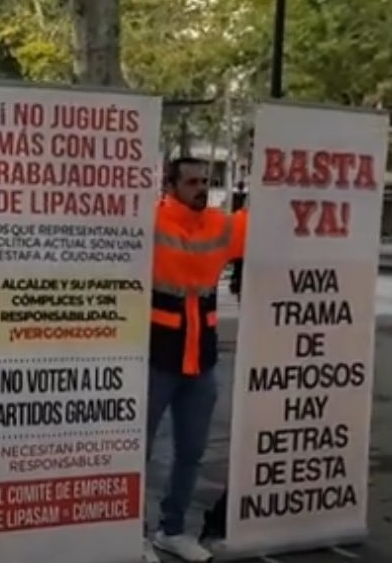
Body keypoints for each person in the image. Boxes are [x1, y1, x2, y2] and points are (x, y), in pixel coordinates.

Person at [143, 157, 246, 563]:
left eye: (206, 180)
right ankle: (134, 533)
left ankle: (172, 530)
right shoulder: (149, 221)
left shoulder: (221, 225)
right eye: (192, 181)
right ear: (170, 185)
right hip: (155, 356)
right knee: (138, 451)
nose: (201, 187)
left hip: (199, 361)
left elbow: (269, 217)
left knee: (191, 451)